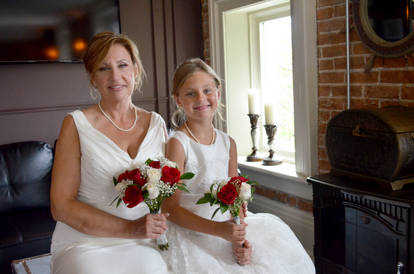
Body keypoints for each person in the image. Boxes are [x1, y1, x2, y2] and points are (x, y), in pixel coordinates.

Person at [162, 58, 315, 273]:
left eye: (207, 90)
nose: (201, 98)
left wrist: (239, 241)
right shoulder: (178, 144)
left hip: (227, 229)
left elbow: (235, 201)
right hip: (193, 233)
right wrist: (220, 230)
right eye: (190, 93)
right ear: (178, 99)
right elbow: (170, 209)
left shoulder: (228, 143)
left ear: (218, 93)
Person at [50, 32, 170, 274]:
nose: (116, 76)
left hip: (144, 241)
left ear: (135, 70)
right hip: (86, 243)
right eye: (104, 68)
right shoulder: (75, 124)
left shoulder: (156, 124)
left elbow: (172, 191)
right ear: (93, 78)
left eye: (123, 65)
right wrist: (131, 228)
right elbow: (61, 206)